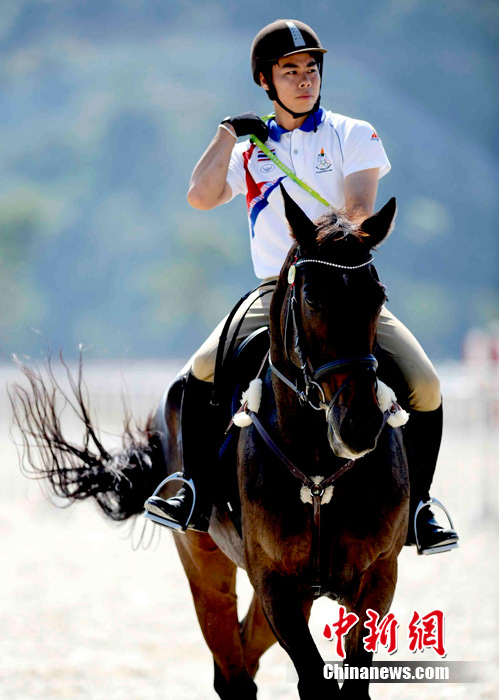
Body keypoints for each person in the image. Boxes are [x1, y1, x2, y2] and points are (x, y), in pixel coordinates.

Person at [145, 19, 459, 555]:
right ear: (264, 81)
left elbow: (357, 212)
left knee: (426, 384)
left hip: (341, 284)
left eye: (311, 68)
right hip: (274, 292)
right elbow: (200, 196)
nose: (304, 79)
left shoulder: (353, 134)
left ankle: (420, 509)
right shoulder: (249, 152)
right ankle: (194, 492)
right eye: (289, 71)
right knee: (199, 371)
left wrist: (316, 249)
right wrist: (228, 132)